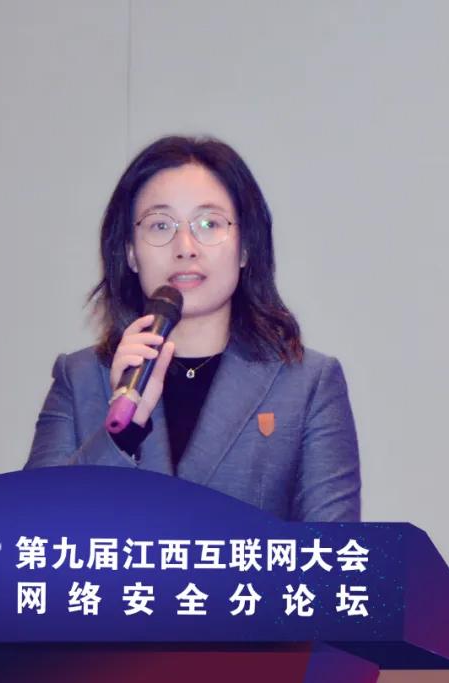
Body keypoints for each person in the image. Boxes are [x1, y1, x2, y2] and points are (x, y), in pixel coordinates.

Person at [25, 135, 360, 522]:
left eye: (209, 223)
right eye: (160, 225)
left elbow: (333, 549)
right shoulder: (80, 377)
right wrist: (120, 436)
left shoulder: (308, 384)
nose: (185, 247)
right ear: (131, 252)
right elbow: (32, 531)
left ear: (245, 248)